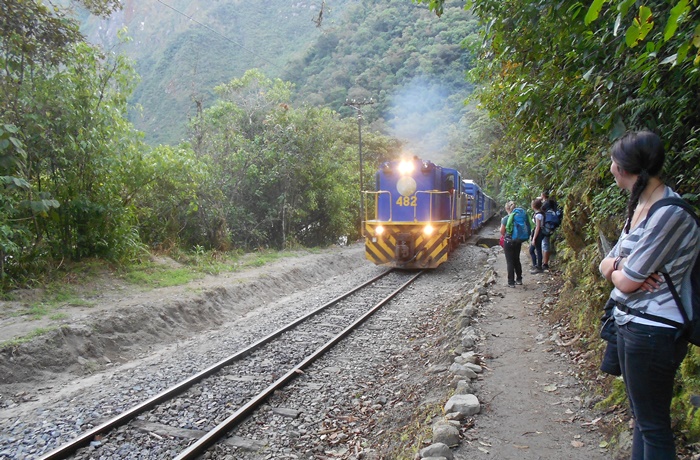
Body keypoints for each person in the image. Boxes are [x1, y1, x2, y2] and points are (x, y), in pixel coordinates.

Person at [598, 130, 699, 460]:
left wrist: (621, 271)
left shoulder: (670, 213)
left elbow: (625, 282)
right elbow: (608, 265)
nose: (610, 167)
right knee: (641, 420)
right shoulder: (640, 205)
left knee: (653, 426)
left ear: (625, 168)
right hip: (629, 324)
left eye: (613, 161)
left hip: (654, 331)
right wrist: (621, 267)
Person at [500, 201, 523, 287]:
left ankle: (511, 282)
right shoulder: (519, 217)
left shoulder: (506, 218)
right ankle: (519, 279)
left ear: (507, 208)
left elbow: (502, 231)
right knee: (517, 259)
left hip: (508, 242)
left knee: (510, 261)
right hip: (518, 241)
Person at [541, 191, 558, 271]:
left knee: (545, 244)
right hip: (551, 226)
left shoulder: (545, 204)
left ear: (543, 195)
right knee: (545, 243)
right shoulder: (552, 202)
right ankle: (545, 262)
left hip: (545, 226)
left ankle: (545, 263)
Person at [529, 198, 545, 274]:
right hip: (539, 232)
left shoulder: (538, 215)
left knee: (536, 250)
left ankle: (538, 266)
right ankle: (535, 265)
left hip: (538, 233)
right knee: (534, 250)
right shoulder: (540, 214)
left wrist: (534, 238)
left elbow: (538, 227)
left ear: (533, 206)